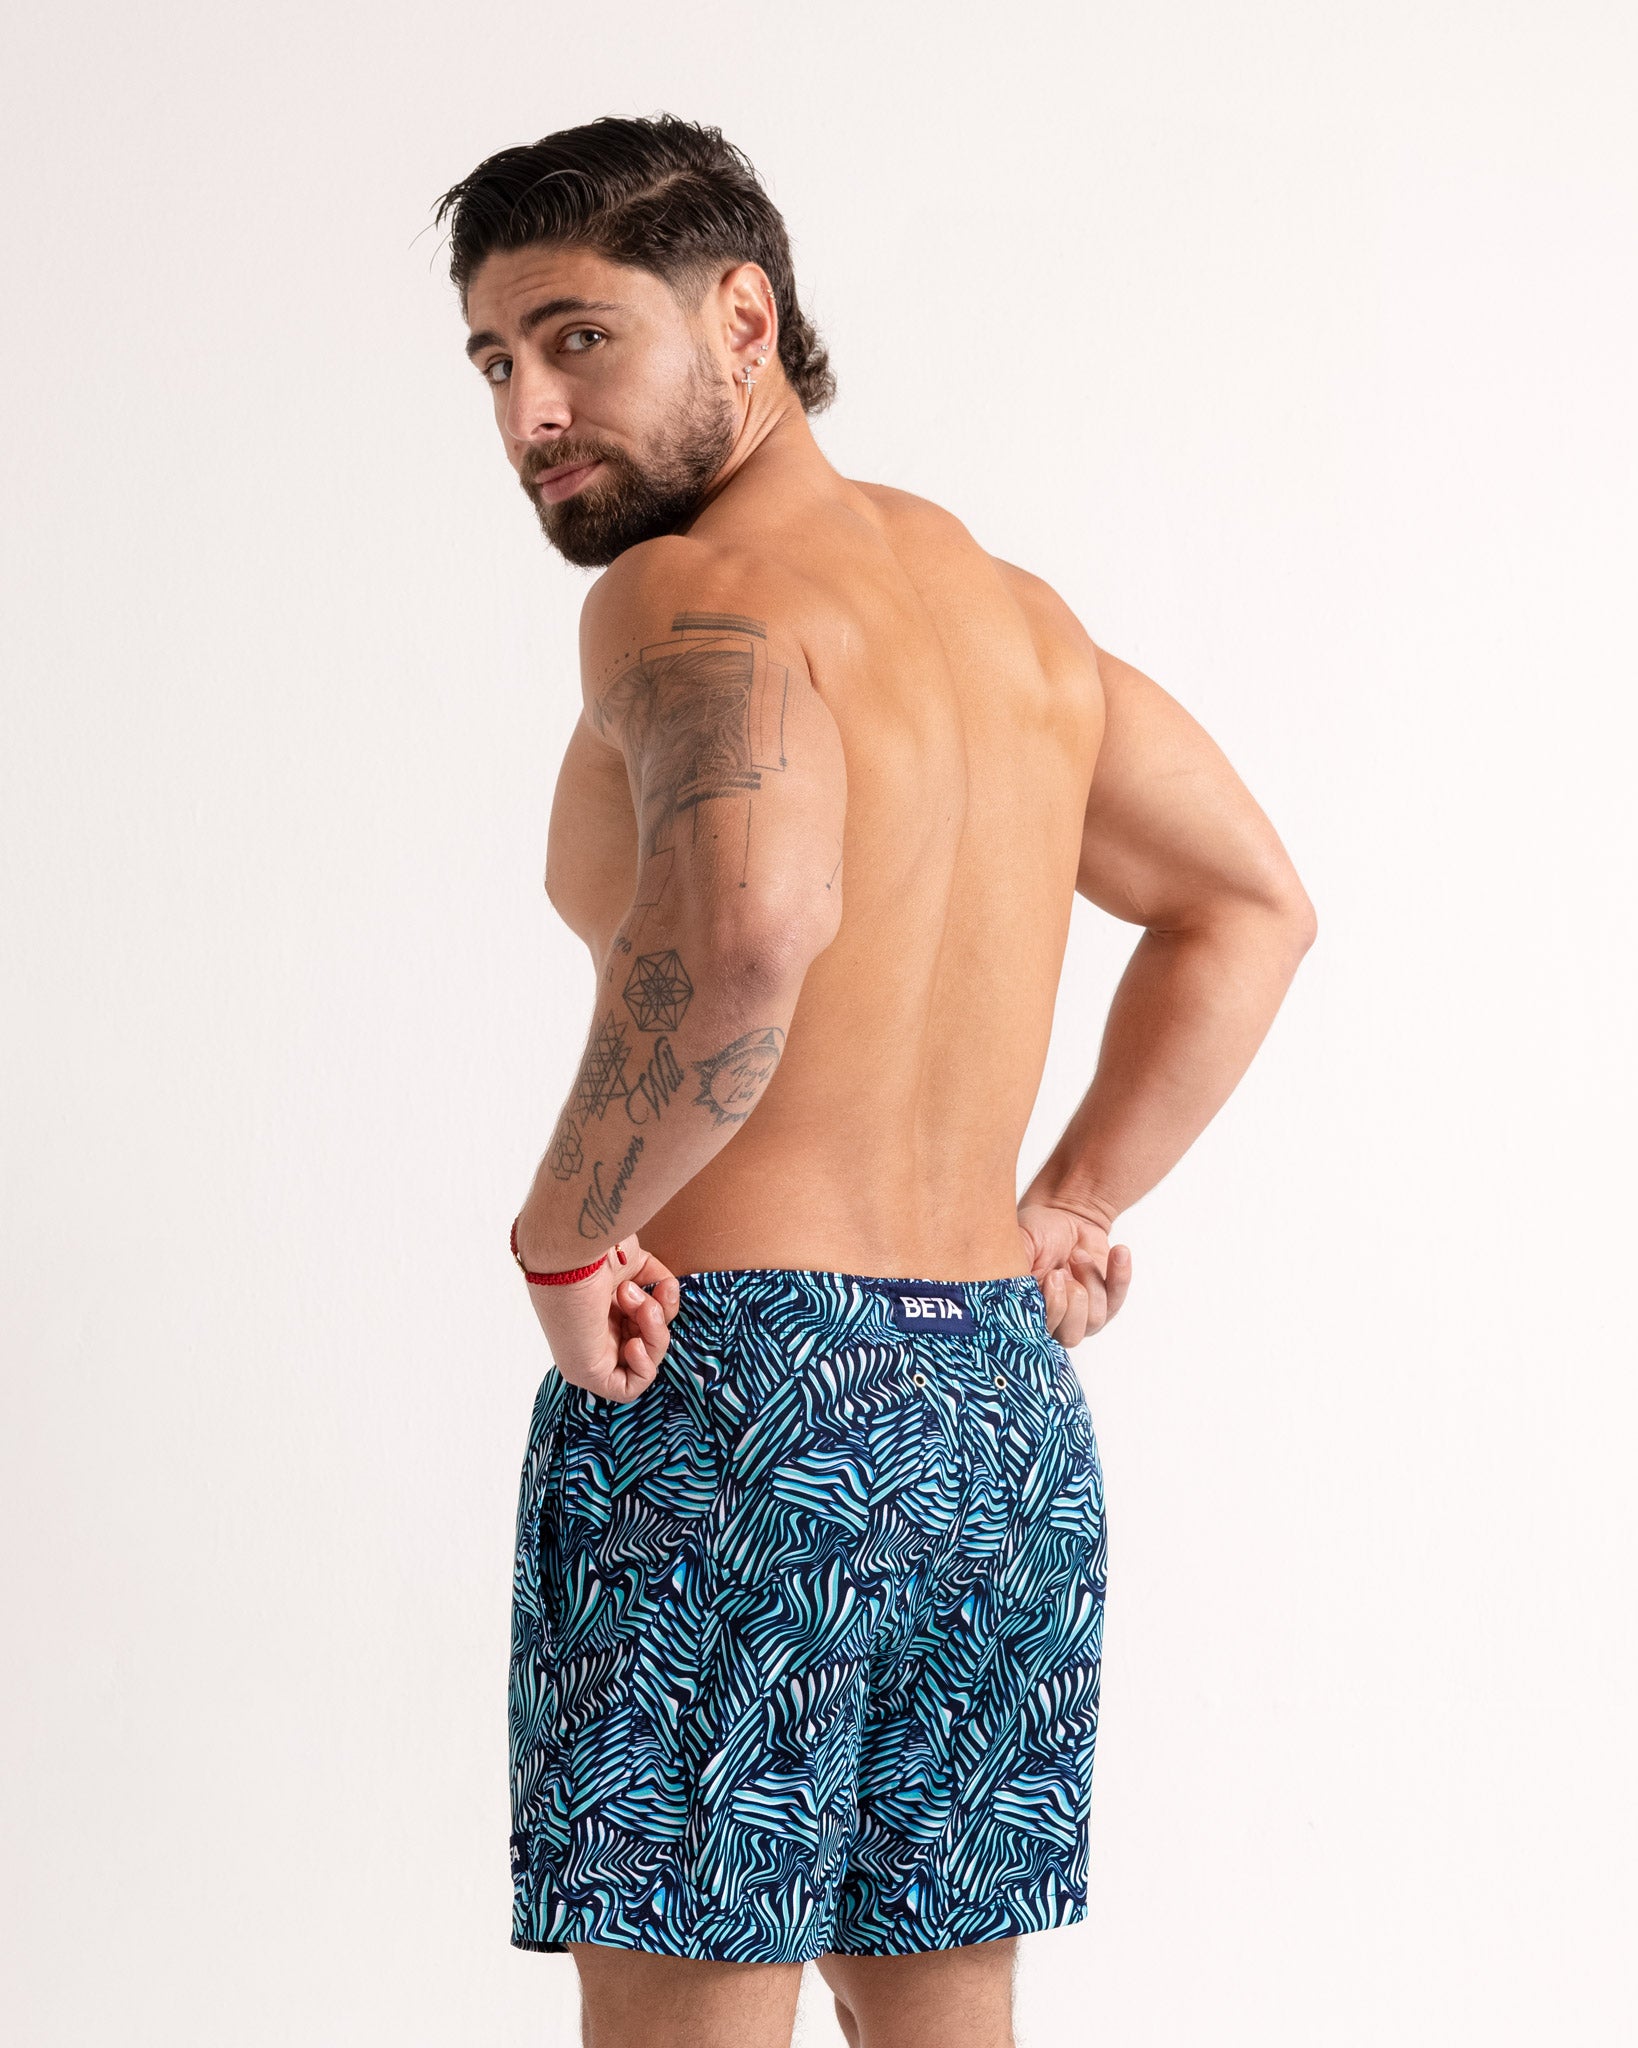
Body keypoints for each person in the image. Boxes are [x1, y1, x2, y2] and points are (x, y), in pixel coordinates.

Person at [433, 114, 1316, 2048]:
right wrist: (1072, 1199)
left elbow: (749, 926)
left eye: (577, 339)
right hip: (994, 1405)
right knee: (940, 2016)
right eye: (493, 361)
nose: (528, 413)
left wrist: (565, 1234)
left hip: (734, 1398)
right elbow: (1246, 904)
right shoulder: (1014, 624)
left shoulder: (686, 594)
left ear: (743, 318)